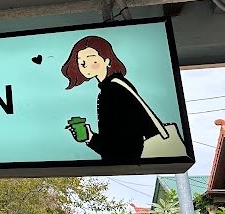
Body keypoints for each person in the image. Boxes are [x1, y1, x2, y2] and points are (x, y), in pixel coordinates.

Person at [61, 35, 159, 163]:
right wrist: (89, 136)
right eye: (80, 61)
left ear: (107, 60)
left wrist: (91, 138)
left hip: (130, 160)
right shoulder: (114, 86)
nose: (84, 64)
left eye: (90, 58)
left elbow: (119, 147)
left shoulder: (112, 91)